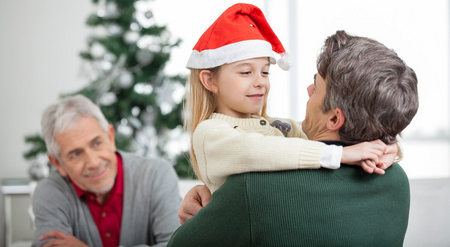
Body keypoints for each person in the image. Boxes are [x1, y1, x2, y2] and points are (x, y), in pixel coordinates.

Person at [168, 30, 418, 246]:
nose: (308, 90)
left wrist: (218, 204)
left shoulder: (254, 190)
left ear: (333, 120)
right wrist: (388, 145)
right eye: (246, 72)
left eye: (316, 87)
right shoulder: (397, 183)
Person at [184, 3, 394, 195]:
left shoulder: (280, 127)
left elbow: (338, 133)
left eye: (265, 72)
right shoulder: (210, 132)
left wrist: (387, 149)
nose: (261, 82)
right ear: (210, 81)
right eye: (246, 72)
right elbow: (256, 151)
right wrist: (338, 155)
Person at [31, 95, 181, 247]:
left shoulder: (156, 175)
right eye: (76, 154)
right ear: (58, 163)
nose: (93, 163)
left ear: (110, 137)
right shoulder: (50, 192)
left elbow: (177, 245)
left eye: (96, 143)